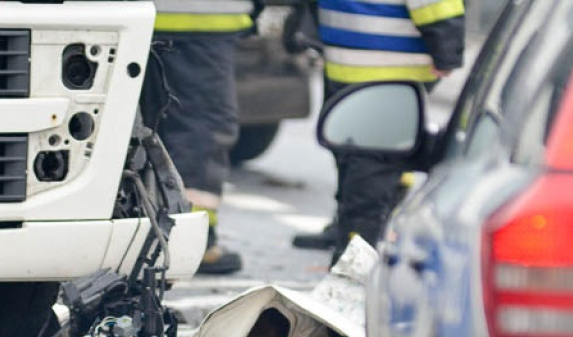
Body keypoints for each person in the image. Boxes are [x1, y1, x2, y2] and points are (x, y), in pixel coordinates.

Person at [290, 0, 465, 259]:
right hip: (379, 69)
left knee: (365, 163)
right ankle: (354, 249)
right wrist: (447, 53)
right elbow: (438, 8)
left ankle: (355, 250)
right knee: (363, 161)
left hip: (370, 68)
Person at [140, 0, 261, 276]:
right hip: (202, 17)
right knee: (201, 125)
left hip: (128, 16)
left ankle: (139, 231)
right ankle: (193, 238)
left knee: (138, 121)